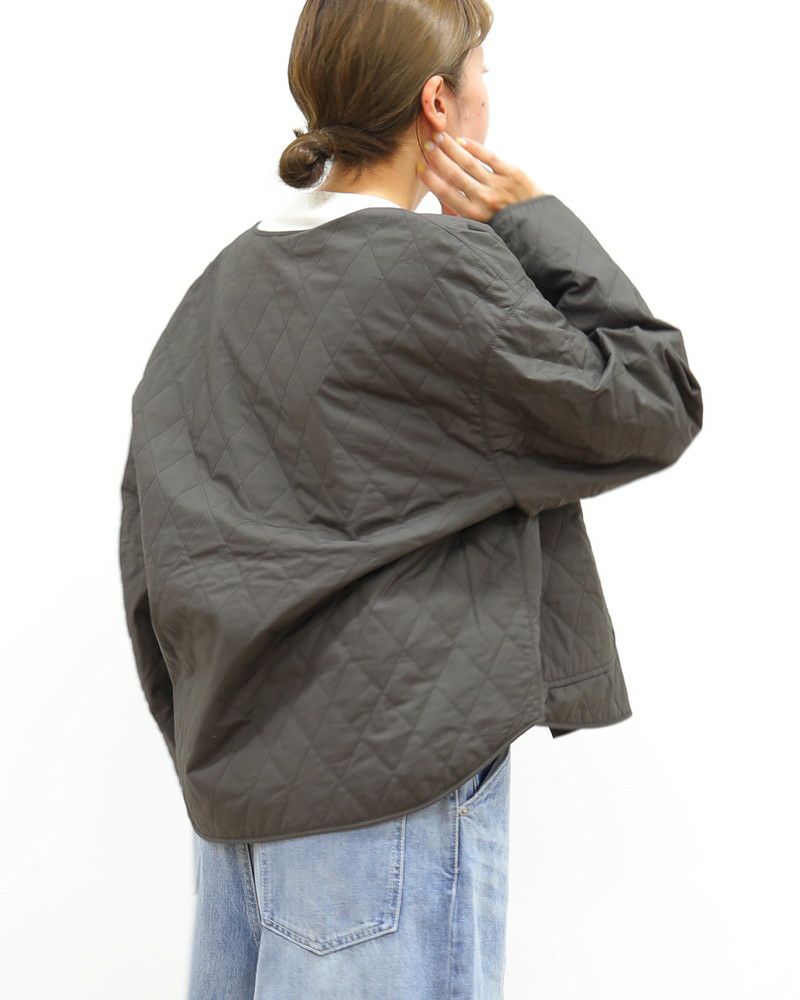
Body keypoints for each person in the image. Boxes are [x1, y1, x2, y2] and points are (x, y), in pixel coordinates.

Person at [118, 2, 703, 997]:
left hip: (239, 814)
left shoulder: (216, 290)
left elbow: (151, 555)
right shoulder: (441, 274)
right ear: (437, 102)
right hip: (386, 810)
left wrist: (208, 748)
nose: (487, 95)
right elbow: (653, 398)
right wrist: (526, 217)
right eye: (481, 73)